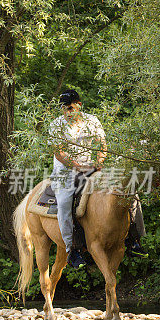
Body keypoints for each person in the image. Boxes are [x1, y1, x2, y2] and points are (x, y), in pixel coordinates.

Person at [49, 90, 107, 268]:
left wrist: (99, 161)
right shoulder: (56, 125)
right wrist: (78, 166)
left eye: (70, 108)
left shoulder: (92, 120)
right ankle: (71, 249)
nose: (67, 112)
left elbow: (102, 145)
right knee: (65, 203)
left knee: (121, 189)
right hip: (65, 171)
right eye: (64, 109)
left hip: (90, 166)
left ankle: (133, 238)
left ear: (79, 106)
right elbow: (59, 153)